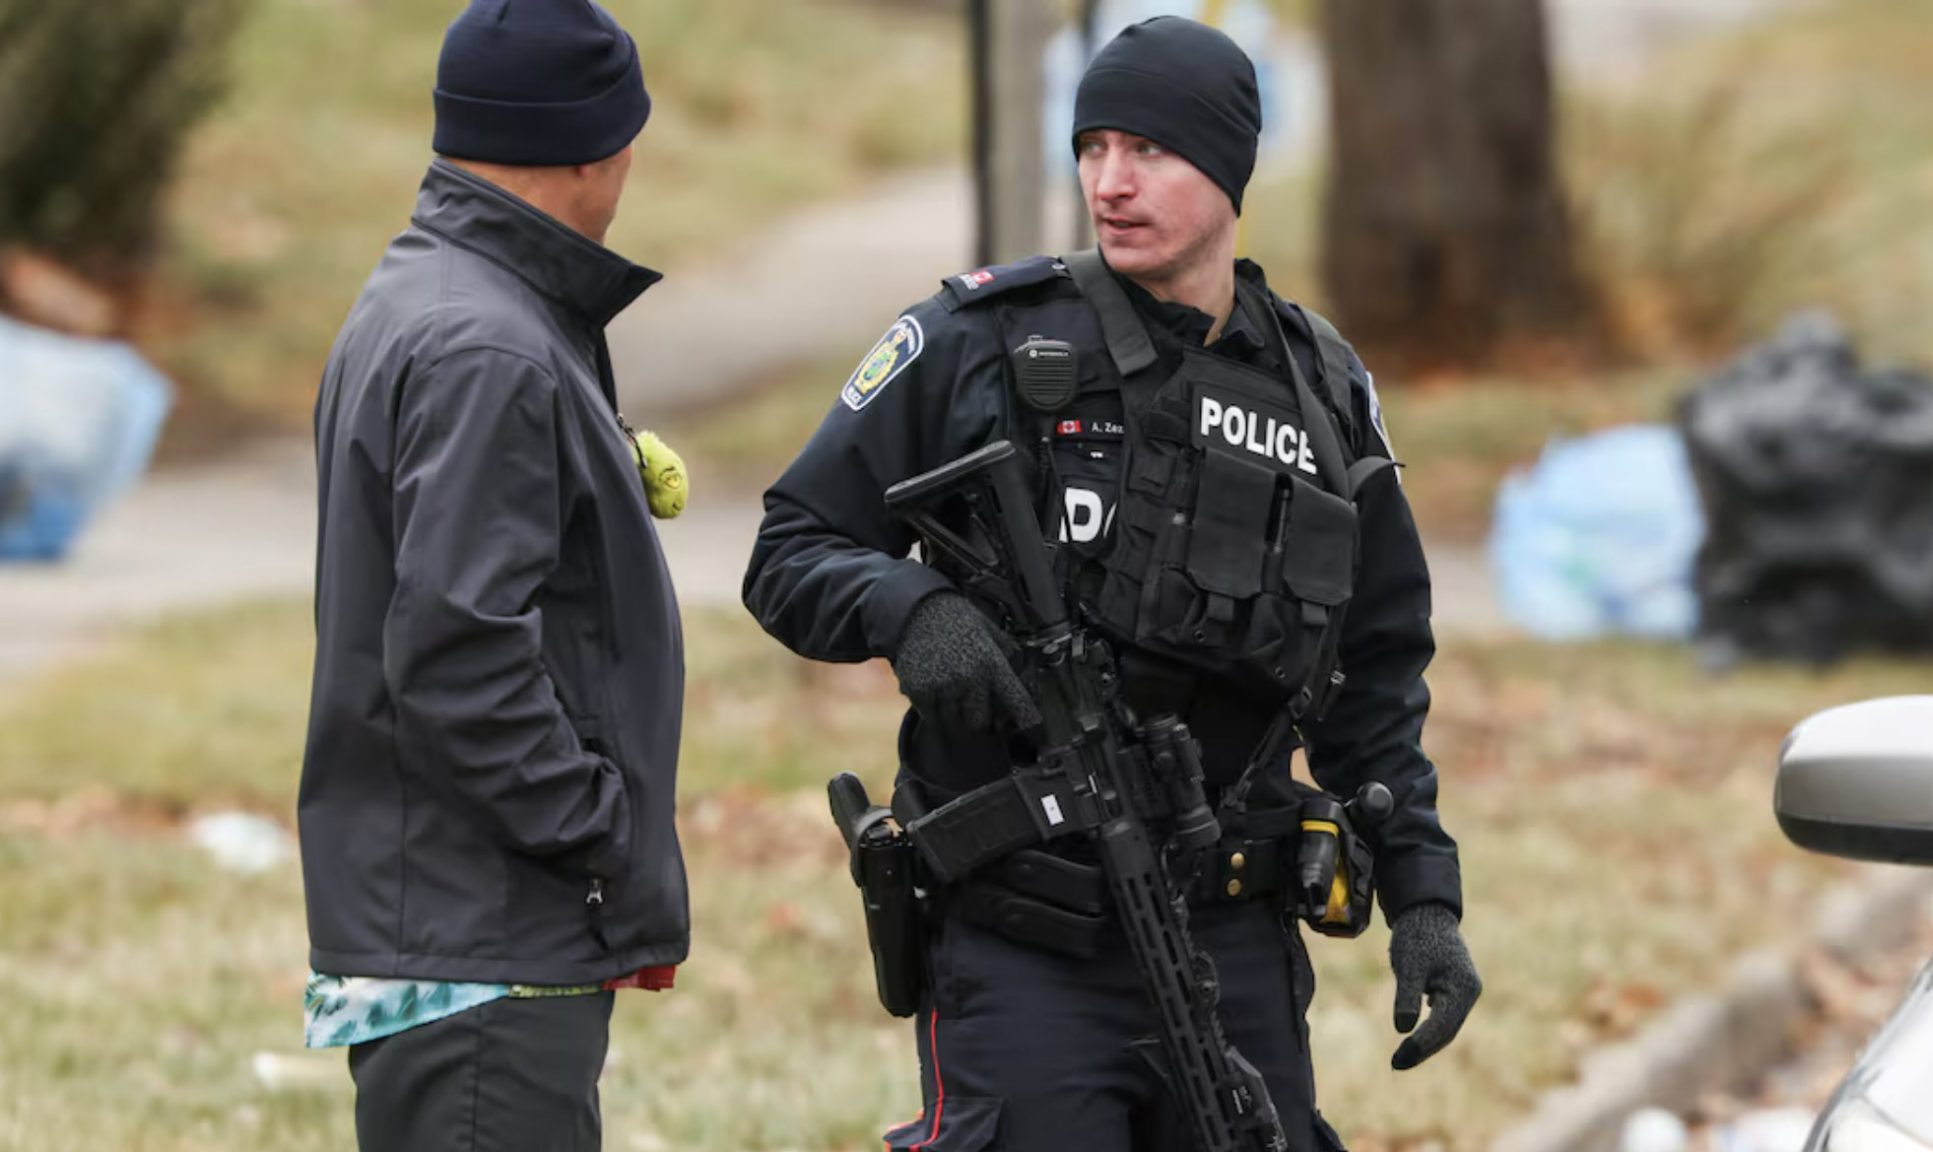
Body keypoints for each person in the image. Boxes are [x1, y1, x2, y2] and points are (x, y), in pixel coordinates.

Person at [743, 16, 1479, 1151]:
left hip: (1232, 938)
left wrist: (1424, 896)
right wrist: (912, 610)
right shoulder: (977, 341)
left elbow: (1375, 664)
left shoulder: (1323, 388)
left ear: (1230, 171)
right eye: (1092, 147)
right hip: (1028, 938)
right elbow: (790, 546)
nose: (1109, 182)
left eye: (1149, 152)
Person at [300, 2, 687, 1148]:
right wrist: (600, 835)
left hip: (457, 929)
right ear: (590, 146)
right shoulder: (487, 347)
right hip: (486, 949)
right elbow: (459, 653)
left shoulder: (432, 295)